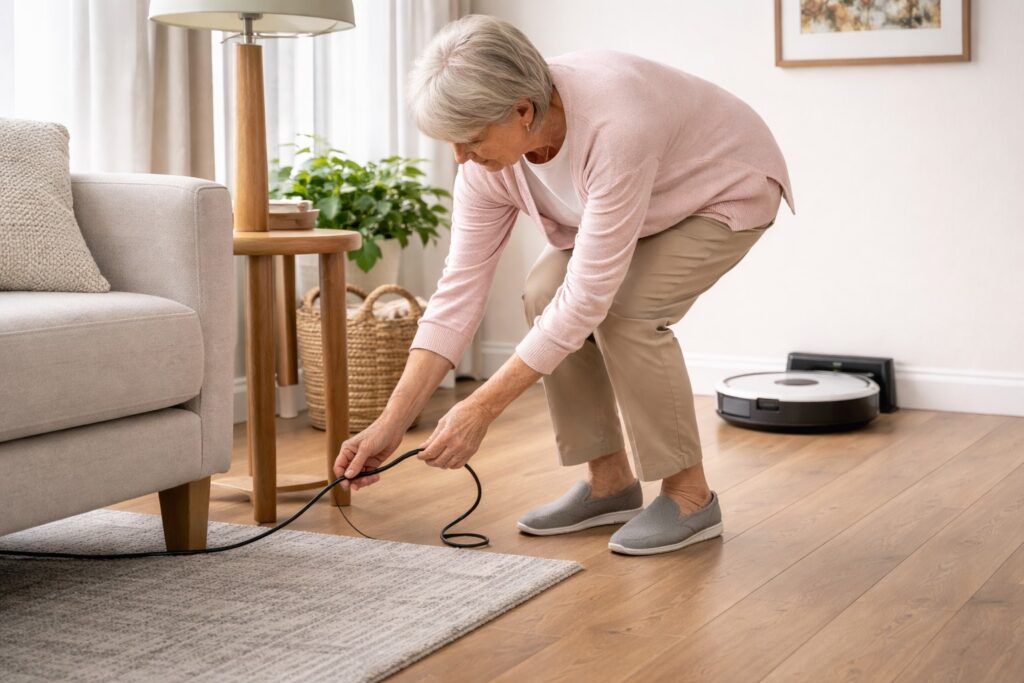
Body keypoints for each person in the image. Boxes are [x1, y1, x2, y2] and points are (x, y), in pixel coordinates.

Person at [333, 14, 794, 556]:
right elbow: (457, 294)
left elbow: (589, 300)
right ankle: (610, 484)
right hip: (640, 209)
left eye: (472, 138)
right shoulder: (485, 167)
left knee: (625, 310)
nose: (460, 157)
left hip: (719, 190)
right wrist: (391, 423)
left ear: (523, 111)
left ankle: (691, 496)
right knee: (542, 292)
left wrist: (478, 409)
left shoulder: (616, 124)